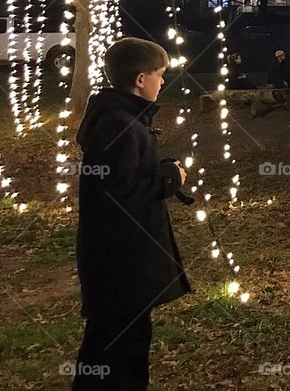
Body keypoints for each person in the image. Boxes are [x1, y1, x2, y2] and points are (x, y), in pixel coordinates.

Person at [73, 38, 190, 390]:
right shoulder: (119, 126)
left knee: (124, 344)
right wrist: (170, 178)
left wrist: (162, 169)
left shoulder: (122, 120)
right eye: (159, 75)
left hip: (123, 263)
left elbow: (122, 178)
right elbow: (117, 192)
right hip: (121, 264)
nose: (162, 82)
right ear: (140, 79)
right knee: (116, 350)